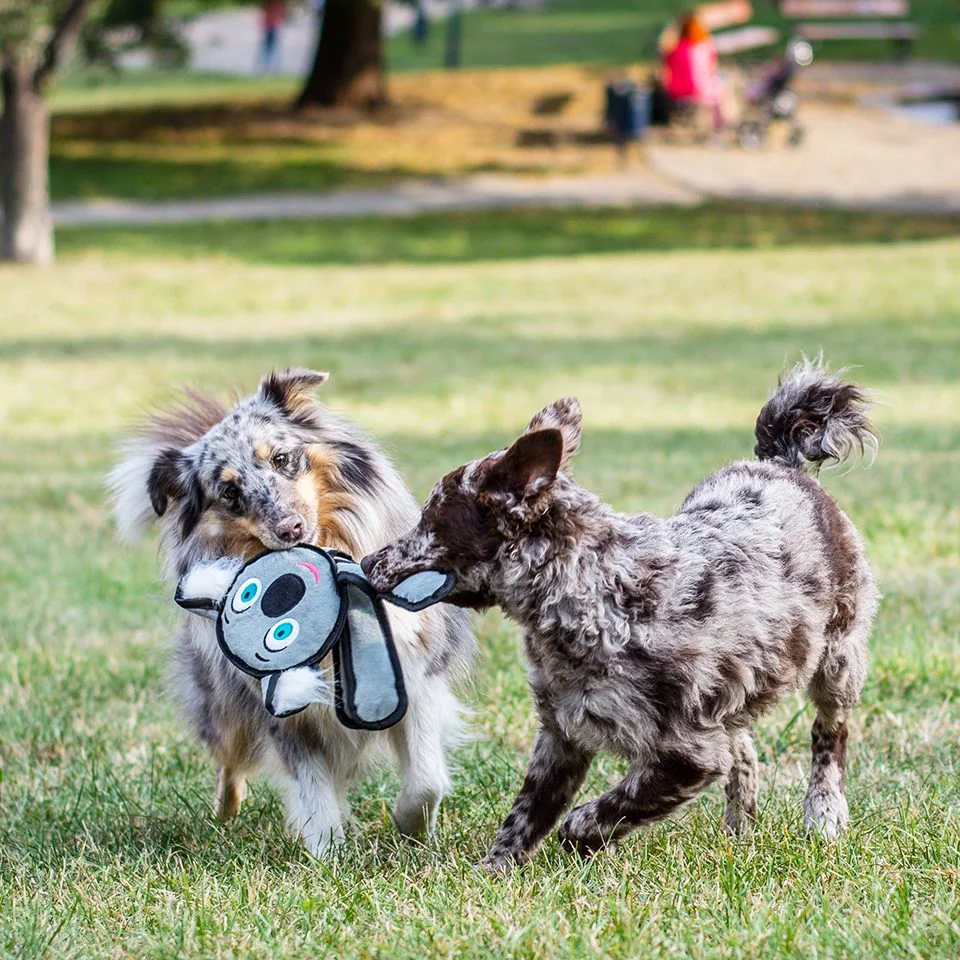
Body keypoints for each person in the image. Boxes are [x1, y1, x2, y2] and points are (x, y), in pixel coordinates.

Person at [660, 12, 726, 132]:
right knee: (723, 88)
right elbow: (710, 70)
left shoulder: (672, 49)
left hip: (674, 91)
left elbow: (664, 70)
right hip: (696, 90)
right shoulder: (702, 48)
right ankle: (721, 127)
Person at [259, 0, 286, 74]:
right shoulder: (275, 3)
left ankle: (270, 68)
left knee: (270, 48)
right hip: (271, 27)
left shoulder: (274, 3)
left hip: (272, 27)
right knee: (270, 48)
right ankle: (270, 67)